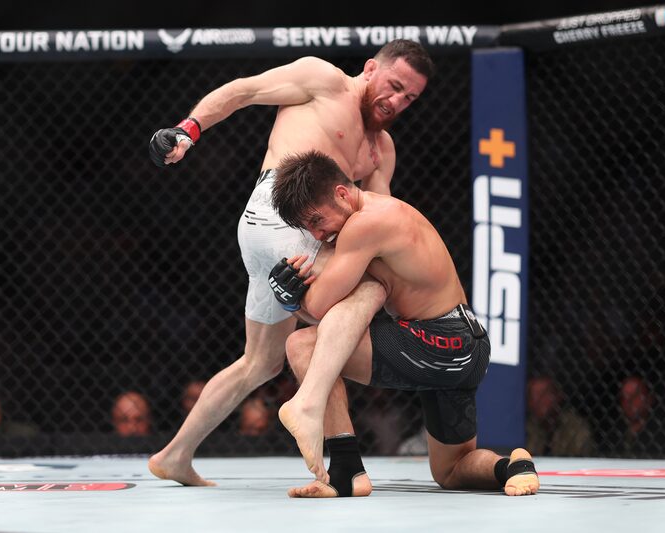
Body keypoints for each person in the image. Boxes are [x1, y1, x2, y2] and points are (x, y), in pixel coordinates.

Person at [145, 39, 434, 486]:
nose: (396, 102)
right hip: (280, 218)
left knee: (261, 362)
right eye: (394, 86)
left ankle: (174, 455)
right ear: (371, 68)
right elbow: (243, 90)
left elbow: (380, 223)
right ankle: (328, 436)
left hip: (285, 238)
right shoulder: (322, 81)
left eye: (410, 98)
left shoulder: (380, 151)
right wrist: (188, 129)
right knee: (364, 292)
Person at [267, 150, 539, 497]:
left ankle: (346, 469)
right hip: (466, 342)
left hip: (440, 341)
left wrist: (289, 296)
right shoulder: (383, 211)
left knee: (303, 344)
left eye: (317, 221)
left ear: (341, 193)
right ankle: (512, 467)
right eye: (309, 228)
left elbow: (318, 306)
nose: (318, 234)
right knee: (452, 470)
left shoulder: (365, 224)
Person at [525, 376, 593, 457]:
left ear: (557, 396)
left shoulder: (575, 425)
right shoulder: (527, 427)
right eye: (533, 396)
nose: (537, 400)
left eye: (543, 394)